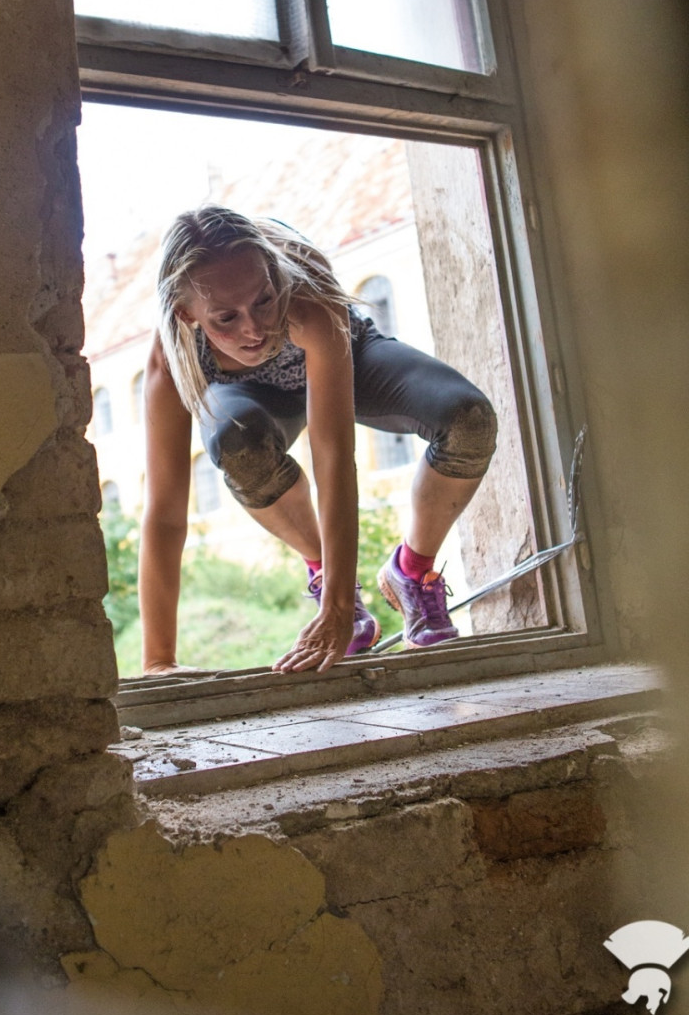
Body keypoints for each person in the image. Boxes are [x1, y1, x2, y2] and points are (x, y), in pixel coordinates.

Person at [138, 205, 497, 675]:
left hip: (351, 360)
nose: (253, 328)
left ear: (273, 276)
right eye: (225, 317)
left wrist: (338, 613)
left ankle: (411, 570)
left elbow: (334, 459)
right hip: (252, 398)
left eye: (263, 301)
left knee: (469, 421)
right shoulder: (172, 357)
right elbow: (165, 515)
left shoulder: (308, 301)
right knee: (237, 442)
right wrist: (158, 661)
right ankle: (325, 572)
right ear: (187, 314)